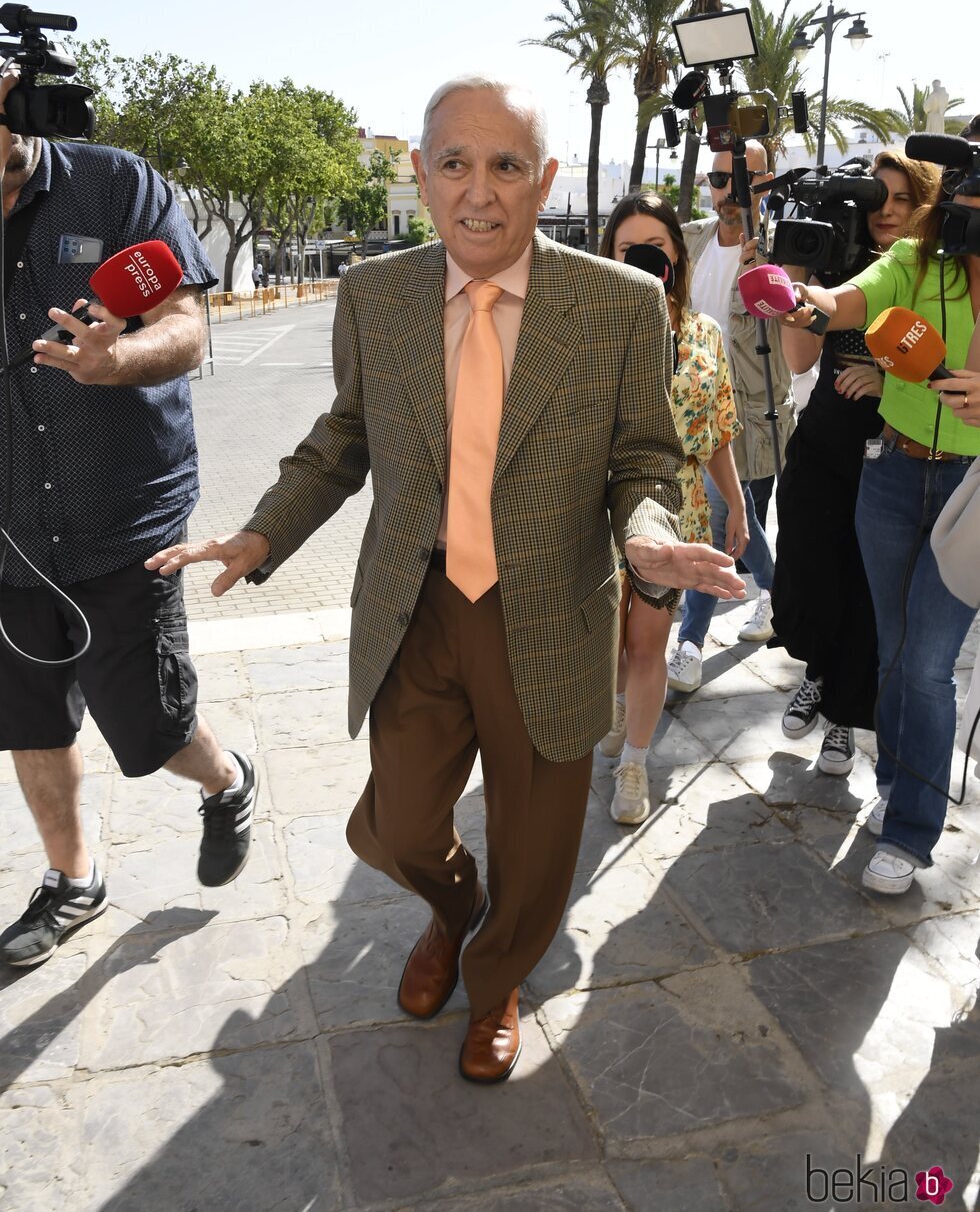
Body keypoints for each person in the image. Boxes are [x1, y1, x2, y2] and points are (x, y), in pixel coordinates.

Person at [147, 77, 744, 1083]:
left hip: (551, 605)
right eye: (455, 164)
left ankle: (496, 972)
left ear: (543, 180)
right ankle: (453, 908)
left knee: (539, 834)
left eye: (505, 165)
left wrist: (647, 537)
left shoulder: (618, 302)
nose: (479, 190)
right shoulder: (376, 293)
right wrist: (262, 534)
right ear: (420, 176)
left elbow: (644, 460)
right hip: (416, 605)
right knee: (401, 823)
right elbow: (344, 436)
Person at [0, 70, 258, 968]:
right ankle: (73, 881)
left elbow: (188, 322)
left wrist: (116, 361)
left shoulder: (115, 183)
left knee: (148, 720)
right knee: (28, 719)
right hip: (9, 534)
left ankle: (226, 781)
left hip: (122, 515)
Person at [783, 150, 980, 895]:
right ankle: (898, 780)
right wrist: (807, 300)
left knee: (928, 665)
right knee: (896, 651)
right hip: (890, 473)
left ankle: (910, 831)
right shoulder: (912, 259)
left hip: (972, 488)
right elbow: (851, 301)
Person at [771, 152, 940, 776]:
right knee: (808, 567)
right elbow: (796, 361)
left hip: (895, 444)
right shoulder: (839, 259)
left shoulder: (936, 272)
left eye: (902, 199)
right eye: (877, 200)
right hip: (825, 437)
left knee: (865, 584)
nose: (888, 211)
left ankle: (843, 716)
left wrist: (887, 373)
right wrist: (797, 268)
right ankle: (818, 672)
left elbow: (942, 359)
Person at [597, 193, 748, 823]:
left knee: (647, 640)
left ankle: (634, 763)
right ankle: (613, 711)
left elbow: (716, 435)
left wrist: (736, 505)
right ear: (607, 257)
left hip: (676, 507)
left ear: (676, 259)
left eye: (655, 249)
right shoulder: (587, 329)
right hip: (596, 508)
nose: (641, 260)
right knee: (607, 641)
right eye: (626, 249)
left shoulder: (705, 333)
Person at [669, 140, 795, 692]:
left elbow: (792, 343)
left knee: (716, 520)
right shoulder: (690, 240)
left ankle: (690, 644)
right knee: (731, 514)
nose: (726, 192)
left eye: (738, 180)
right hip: (689, 406)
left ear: (765, 184)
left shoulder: (782, 250)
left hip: (743, 412)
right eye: (718, 181)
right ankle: (774, 592)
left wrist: (768, 274)